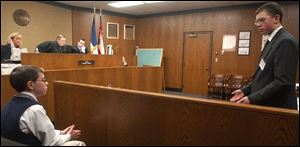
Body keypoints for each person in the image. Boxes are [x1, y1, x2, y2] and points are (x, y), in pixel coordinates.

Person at [230, 2, 299, 109]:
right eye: (256, 21)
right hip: (266, 105)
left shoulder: (285, 42)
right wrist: (246, 91)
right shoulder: (271, 41)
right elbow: (264, 77)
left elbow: (282, 82)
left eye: (261, 20)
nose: (257, 24)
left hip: (278, 110)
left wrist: (252, 98)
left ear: (276, 18)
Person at [1, 65, 86, 146]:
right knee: (78, 143)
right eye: (43, 80)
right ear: (30, 85)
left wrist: (60, 132)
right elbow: (51, 142)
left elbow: (35, 131)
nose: (47, 83)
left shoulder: (9, 104)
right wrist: (69, 136)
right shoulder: (34, 109)